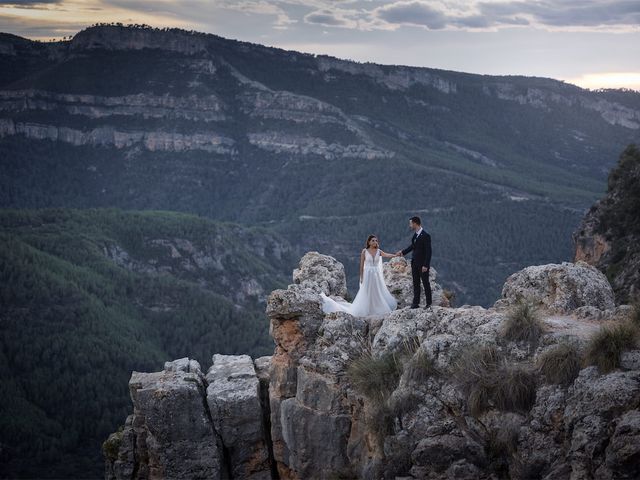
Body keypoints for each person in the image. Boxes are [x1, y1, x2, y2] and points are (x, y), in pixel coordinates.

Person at [320, 235, 398, 316]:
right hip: (367, 274)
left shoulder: (379, 251)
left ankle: (376, 307)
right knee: (367, 291)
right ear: (369, 242)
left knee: (376, 291)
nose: (375, 242)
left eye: (376, 241)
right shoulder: (365, 251)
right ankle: (366, 308)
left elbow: (387, 255)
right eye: (373, 241)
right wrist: (361, 277)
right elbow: (361, 265)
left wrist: (395, 255)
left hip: (376, 274)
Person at [396, 216, 432, 309]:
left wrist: (426, 265)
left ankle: (429, 303)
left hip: (422, 264)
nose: (410, 225)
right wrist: (403, 252)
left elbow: (429, 252)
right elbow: (413, 246)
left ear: (415, 223)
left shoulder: (425, 236)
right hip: (414, 263)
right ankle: (415, 303)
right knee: (416, 283)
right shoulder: (415, 235)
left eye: (410, 223)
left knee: (425, 283)